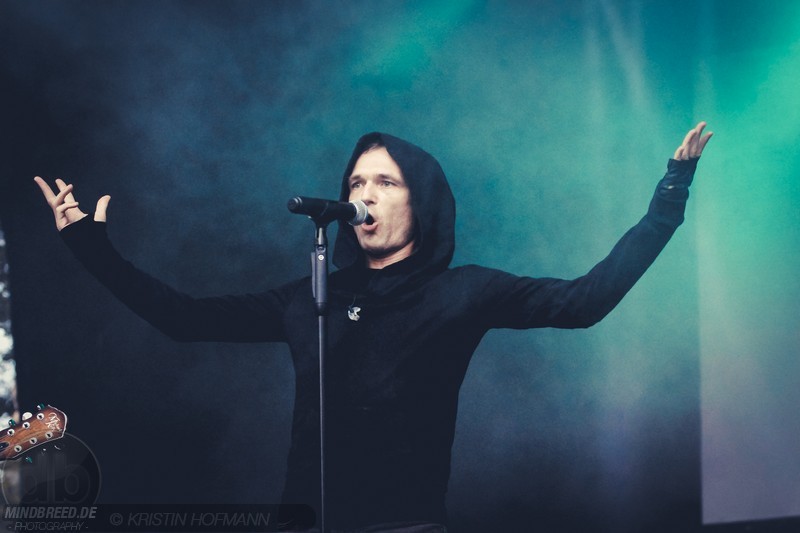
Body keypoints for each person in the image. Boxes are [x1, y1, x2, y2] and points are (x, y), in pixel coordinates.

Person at [35, 122, 712, 533]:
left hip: (403, 520)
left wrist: (668, 199)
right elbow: (183, 319)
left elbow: (584, 301)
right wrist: (92, 249)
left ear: (422, 201)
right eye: (357, 182)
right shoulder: (313, 295)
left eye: (385, 182)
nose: (364, 194)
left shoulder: (462, 291)